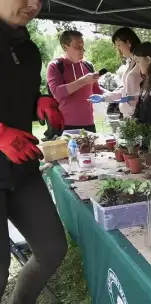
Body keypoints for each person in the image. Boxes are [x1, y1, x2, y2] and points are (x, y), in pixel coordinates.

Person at [0, 0, 67, 302]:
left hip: (21, 167)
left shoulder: (27, 49)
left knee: (52, 249)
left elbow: (14, 97)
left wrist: (39, 101)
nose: (34, 4)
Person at [47, 30, 102, 132]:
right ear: (65, 47)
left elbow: (97, 91)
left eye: (82, 46)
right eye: (77, 47)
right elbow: (57, 92)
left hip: (89, 124)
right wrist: (83, 81)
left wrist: (118, 94)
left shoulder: (88, 65)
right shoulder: (55, 65)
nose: (82, 50)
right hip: (66, 126)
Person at [89, 27, 143, 119]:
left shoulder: (142, 62)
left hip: (139, 115)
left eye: (119, 45)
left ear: (128, 43)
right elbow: (124, 90)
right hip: (128, 115)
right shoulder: (129, 64)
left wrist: (133, 98)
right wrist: (104, 97)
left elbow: (146, 90)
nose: (118, 50)